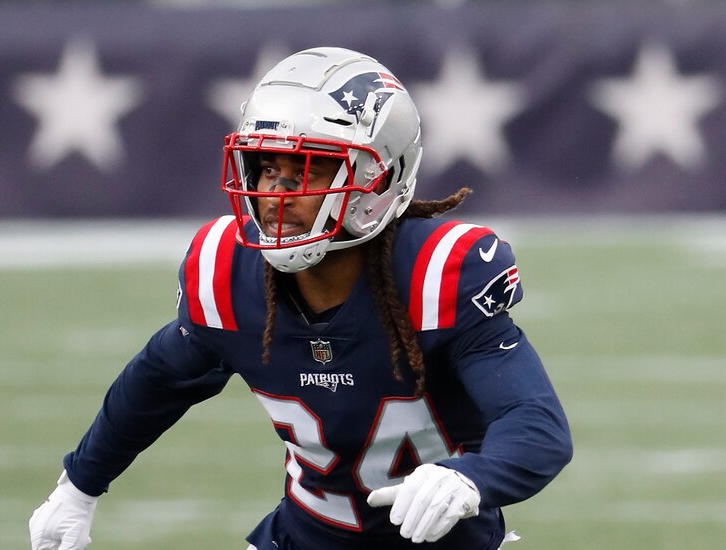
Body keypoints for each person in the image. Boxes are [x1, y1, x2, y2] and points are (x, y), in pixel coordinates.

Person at [29, 46, 572, 550]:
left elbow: (537, 424)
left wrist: (468, 478)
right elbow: (158, 380)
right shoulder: (229, 273)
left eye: (311, 170)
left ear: (377, 179)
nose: (278, 195)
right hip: (302, 536)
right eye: (269, 168)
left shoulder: (435, 276)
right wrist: (78, 484)